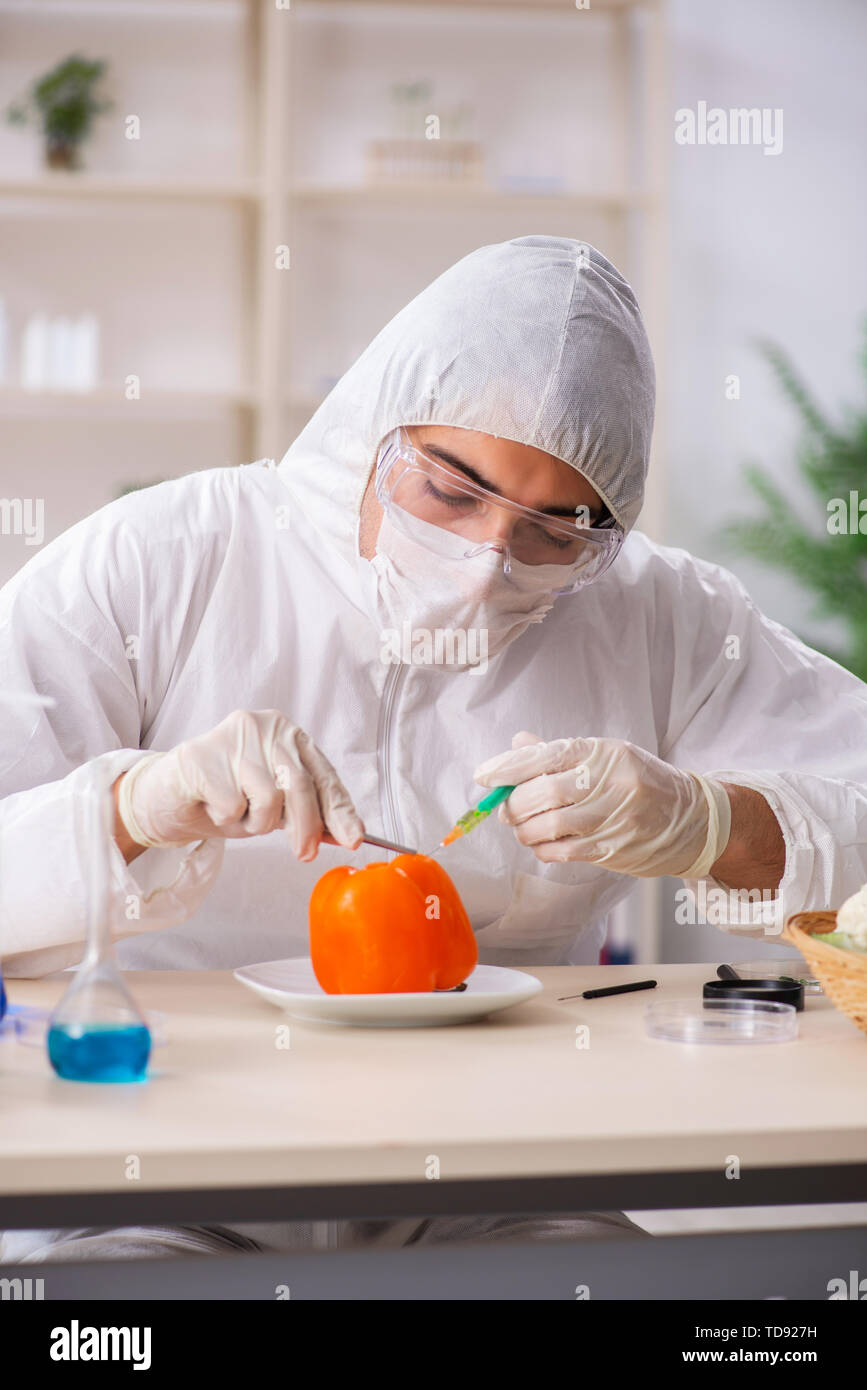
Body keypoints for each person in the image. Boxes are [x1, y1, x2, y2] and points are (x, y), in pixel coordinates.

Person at [3, 235, 867, 1264]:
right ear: (374, 429)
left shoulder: (659, 615)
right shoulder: (159, 559)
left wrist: (716, 822)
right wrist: (134, 807)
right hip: (159, 1154)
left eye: (556, 531)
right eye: (450, 492)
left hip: (499, 1169)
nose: (482, 567)